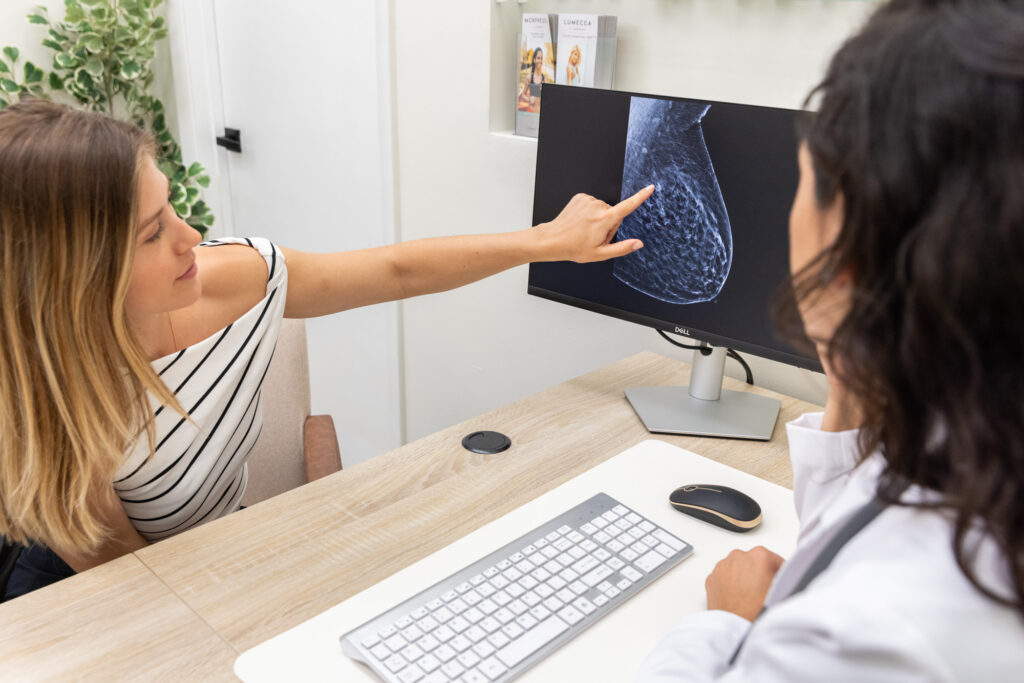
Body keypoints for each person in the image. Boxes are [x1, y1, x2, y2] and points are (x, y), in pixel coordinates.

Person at [0, 98, 653, 600]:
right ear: (76, 272)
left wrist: (545, 240)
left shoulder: (233, 278)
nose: (191, 234)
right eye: (152, 234)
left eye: (170, 207)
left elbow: (395, 270)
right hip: (86, 589)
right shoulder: (48, 385)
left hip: (213, 552)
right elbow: (123, 567)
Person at [636, 0, 1024, 680]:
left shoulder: (855, 636)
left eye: (807, 175)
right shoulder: (976, 440)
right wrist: (850, 361)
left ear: (846, 242)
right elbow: (859, 519)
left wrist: (723, 621)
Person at [518, 47, 548, 113]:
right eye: (538, 58)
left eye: (541, 58)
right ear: (534, 60)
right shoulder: (529, 78)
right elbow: (522, 95)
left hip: (541, 114)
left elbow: (548, 99)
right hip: (530, 111)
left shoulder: (545, 78)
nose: (540, 61)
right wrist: (529, 99)